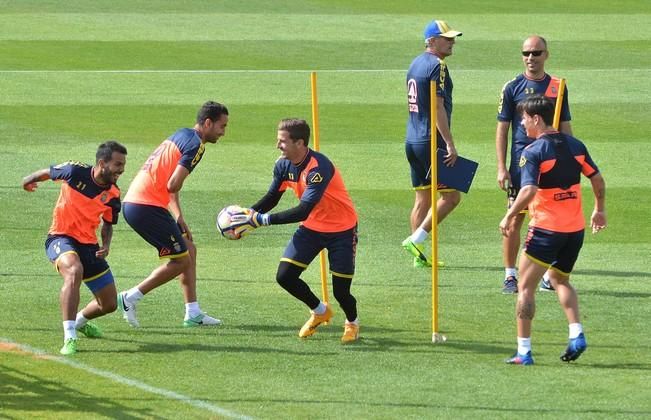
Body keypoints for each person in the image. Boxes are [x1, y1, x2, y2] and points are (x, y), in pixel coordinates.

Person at [231, 118, 360, 343]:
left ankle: (352, 323)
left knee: (341, 291)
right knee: (285, 276)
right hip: (312, 228)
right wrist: (247, 216)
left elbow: (303, 210)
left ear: (299, 143)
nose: (277, 145)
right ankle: (320, 311)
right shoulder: (283, 165)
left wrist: (262, 220)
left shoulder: (318, 168)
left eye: (282, 141)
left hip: (342, 230)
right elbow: (272, 197)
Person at [499, 95, 606, 365]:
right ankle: (576, 333)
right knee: (560, 280)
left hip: (546, 230)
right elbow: (597, 178)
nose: (521, 124)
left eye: (523, 118)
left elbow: (529, 190)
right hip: (575, 230)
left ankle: (524, 352)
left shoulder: (533, 152)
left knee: (525, 287)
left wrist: (509, 214)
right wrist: (599, 209)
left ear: (536, 119)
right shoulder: (575, 145)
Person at [118, 101, 228, 328]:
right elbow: (174, 183)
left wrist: (178, 216)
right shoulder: (197, 145)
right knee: (180, 261)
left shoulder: (181, 134)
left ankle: (193, 313)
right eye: (221, 126)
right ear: (208, 123)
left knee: (189, 249)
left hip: (140, 203)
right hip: (145, 206)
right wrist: (174, 210)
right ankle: (130, 297)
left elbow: (169, 183)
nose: (223, 132)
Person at [22, 141, 128, 355]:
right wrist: (29, 180)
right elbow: (50, 172)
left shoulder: (114, 194)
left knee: (108, 304)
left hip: (89, 245)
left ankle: (79, 322)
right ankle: (69, 336)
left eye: (123, 165)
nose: (121, 169)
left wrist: (106, 245)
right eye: (117, 164)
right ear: (102, 163)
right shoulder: (75, 171)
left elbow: (108, 223)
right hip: (60, 237)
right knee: (74, 270)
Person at [496, 35, 573, 294]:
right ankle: (510, 276)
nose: (531, 58)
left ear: (546, 55)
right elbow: (502, 129)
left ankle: (549, 276)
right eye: (526, 53)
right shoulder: (512, 87)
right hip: (522, 163)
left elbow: (565, 127)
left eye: (536, 53)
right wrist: (501, 166)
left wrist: (569, 157)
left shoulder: (558, 87)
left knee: (553, 217)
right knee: (515, 218)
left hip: (551, 163)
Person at [402, 20, 463, 268]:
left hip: (413, 139)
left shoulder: (415, 63)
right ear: (431, 41)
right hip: (431, 140)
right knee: (451, 197)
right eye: (446, 38)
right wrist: (449, 143)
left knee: (423, 199)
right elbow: (437, 106)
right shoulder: (437, 66)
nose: (452, 42)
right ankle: (416, 239)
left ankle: (419, 258)